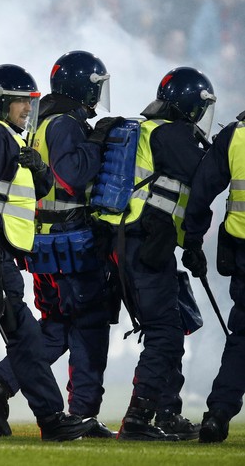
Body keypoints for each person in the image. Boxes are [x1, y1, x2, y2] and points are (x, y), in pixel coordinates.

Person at [0, 64, 98, 441]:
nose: (28, 109)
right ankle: (52, 419)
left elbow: (27, 190)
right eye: (21, 102)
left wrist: (39, 168)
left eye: (30, 101)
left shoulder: (3, 135)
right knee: (24, 335)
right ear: (0, 103)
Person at [0, 51, 117, 438]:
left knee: (55, 328)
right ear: (83, 85)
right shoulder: (66, 123)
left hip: (43, 243)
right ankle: (82, 412)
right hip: (72, 243)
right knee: (88, 327)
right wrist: (98, 143)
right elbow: (70, 174)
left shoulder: (39, 121)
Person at [98, 67, 214, 441]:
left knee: (169, 327)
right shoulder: (174, 133)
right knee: (165, 332)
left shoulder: (148, 129)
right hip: (145, 245)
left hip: (128, 243)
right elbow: (205, 178)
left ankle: (166, 413)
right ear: (191, 107)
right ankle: (139, 417)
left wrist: (190, 245)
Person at [182, 108, 245, 444]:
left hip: (243, 249)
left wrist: (192, 240)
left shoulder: (235, 135)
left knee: (242, 338)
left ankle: (218, 415)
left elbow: (202, 190)